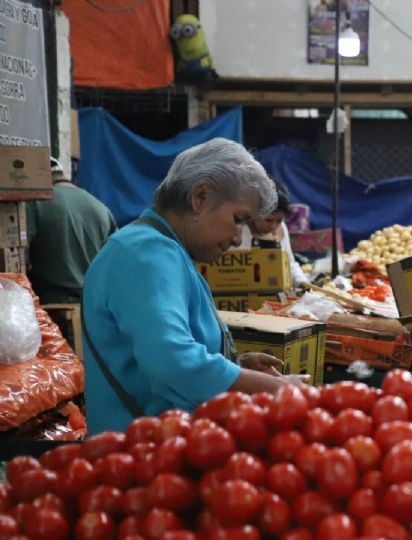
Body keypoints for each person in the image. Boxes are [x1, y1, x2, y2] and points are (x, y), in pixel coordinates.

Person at [83, 138, 298, 434]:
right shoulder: (147, 253)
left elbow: (153, 351)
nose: (238, 238)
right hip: (143, 451)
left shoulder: (163, 250)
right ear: (200, 197)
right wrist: (277, 389)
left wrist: (236, 366)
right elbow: (171, 361)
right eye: (238, 219)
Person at [25, 158, 117, 305]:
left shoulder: (35, 202)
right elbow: (114, 262)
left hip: (52, 305)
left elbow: (20, 254)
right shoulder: (101, 208)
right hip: (93, 305)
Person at [237, 178, 311, 288]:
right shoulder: (239, 231)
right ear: (254, 213)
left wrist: (302, 282)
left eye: (279, 221)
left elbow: (289, 263)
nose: (273, 226)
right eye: (268, 220)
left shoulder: (282, 228)